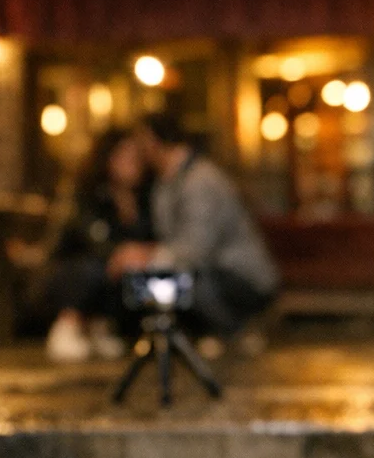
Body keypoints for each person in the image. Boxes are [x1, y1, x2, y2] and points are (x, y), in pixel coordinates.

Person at [109, 113, 279, 343]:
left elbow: (196, 250)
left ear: (153, 140)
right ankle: (161, 337)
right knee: (138, 286)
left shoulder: (200, 179)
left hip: (238, 279)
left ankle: (235, 331)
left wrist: (144, 255)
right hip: (202, 272)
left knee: (182, 283)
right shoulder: (164, 182)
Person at [45, 130, 153, 362]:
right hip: (75, 270)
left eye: (136, 158)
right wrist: (119, 254)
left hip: (122, 274)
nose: (132, 164)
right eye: (124, 156)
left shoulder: (146, 197)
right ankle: (69, 324)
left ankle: (101, 327)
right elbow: (87, 237)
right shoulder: (89, 193)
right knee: (95, 268)